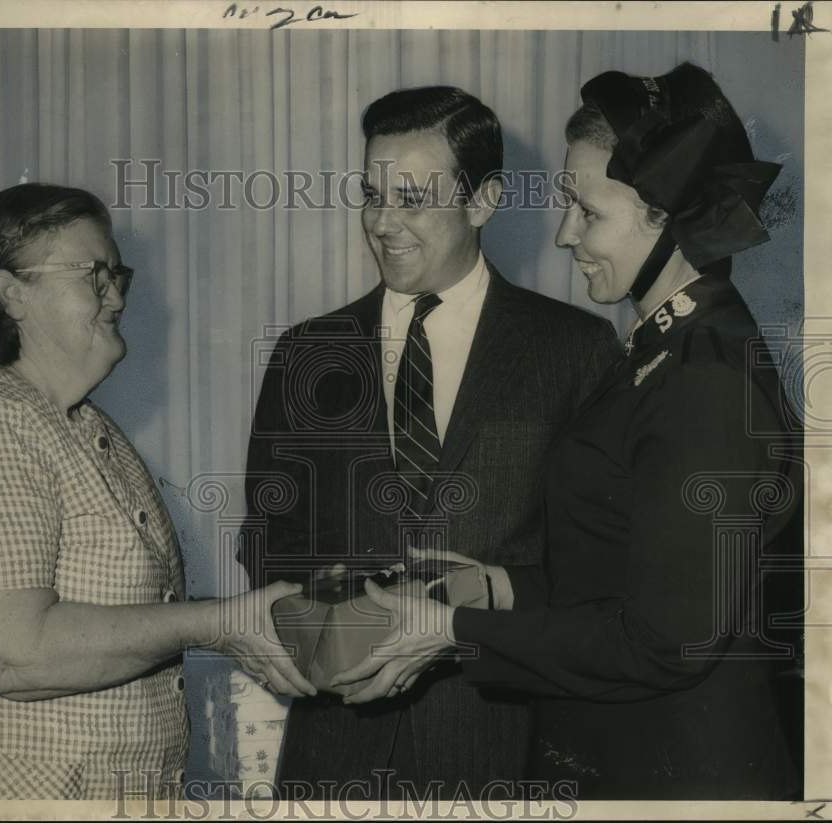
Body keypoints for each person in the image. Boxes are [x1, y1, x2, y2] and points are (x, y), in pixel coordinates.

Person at [332, 63, 803, 800]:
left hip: (676, 778)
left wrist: (450, 632)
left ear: (664, 214)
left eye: (587, 211)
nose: (563, 234)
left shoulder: (705, 376)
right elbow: (627, 571)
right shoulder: (665, 348)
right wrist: (494, 587)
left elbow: (663, 638)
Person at [0, 183, 315, 800]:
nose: (117, 294)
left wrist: (242, 623)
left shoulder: (72, 420)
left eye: (117, 272)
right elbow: (7, 650)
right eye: (92, 273)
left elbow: (122, 613)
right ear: (10, 292)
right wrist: (219, 623)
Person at [236, 86, 620, 799]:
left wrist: (466, 619)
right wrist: (322, 630)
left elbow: (599, 569)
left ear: (483, 201)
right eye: (371, 195)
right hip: (336, 750)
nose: (383, 223)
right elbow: (265, 540)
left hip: (506, 745)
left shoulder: (577, 350)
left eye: (411, 198)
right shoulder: (306, 352)